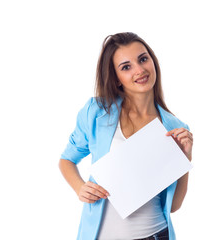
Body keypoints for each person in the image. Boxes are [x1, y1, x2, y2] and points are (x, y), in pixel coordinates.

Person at [59, 32, 193, 240]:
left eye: (143, 59)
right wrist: (80, 187)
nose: (140, 70)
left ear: (153, 61)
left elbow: (174, 206)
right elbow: (67, 159)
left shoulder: (174, 127)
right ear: (116, 78)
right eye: (126, 67)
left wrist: (185, 159)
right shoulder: (96, 112)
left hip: (156, 234)